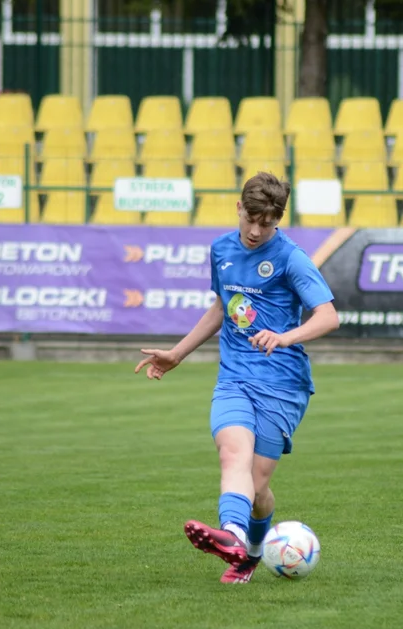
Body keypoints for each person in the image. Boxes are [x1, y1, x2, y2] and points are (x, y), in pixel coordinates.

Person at [134, 172, 340, 584]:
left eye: (267, 223)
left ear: (278, 219)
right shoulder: (222, 249)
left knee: (258, 488)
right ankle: (232, 536)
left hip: (282, 384)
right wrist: (178, 352)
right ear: (239, 208)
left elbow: (329, 316)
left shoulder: (291, 258)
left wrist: (285, 336)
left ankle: (250, 552)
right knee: (233, 455)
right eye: (251, 218)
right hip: (234, 377)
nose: (255, 230)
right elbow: (222, 306)